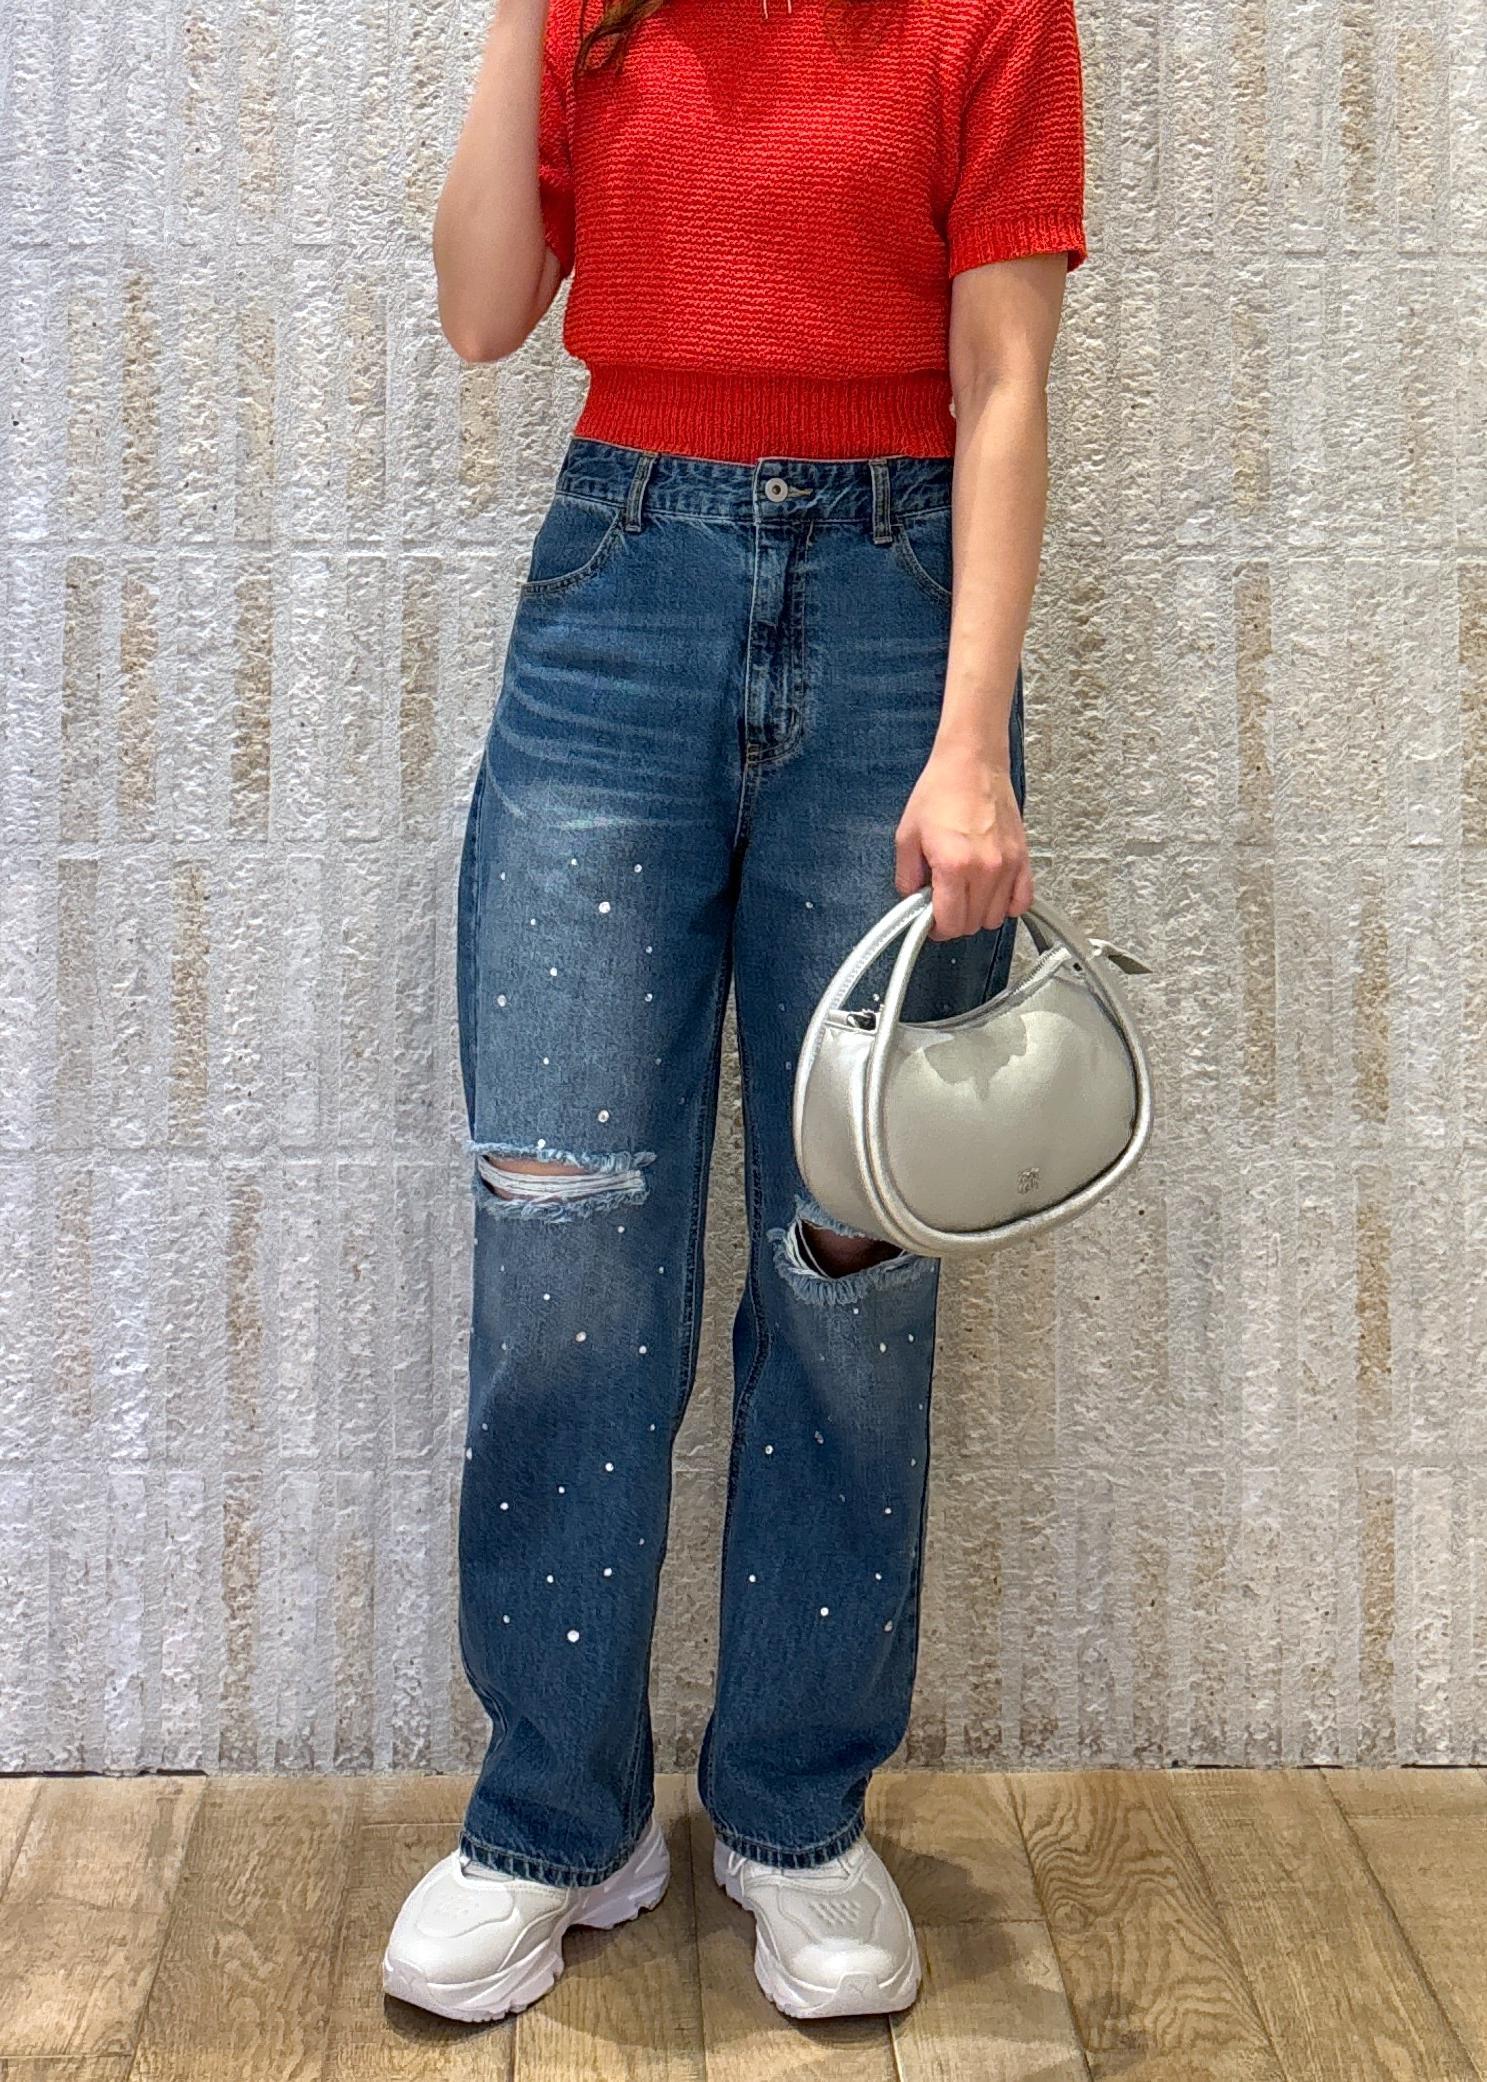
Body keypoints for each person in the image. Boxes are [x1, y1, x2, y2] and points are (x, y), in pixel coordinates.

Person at [383, 0, 1086, 2026]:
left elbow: (1004, 378)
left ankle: (795, 1810)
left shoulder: (992, 15)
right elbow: (484, 311)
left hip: (892, 612)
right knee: (562, 1236)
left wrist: (970, 743)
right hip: (620, 595)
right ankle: (554, 1818)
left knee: (854, 1255)